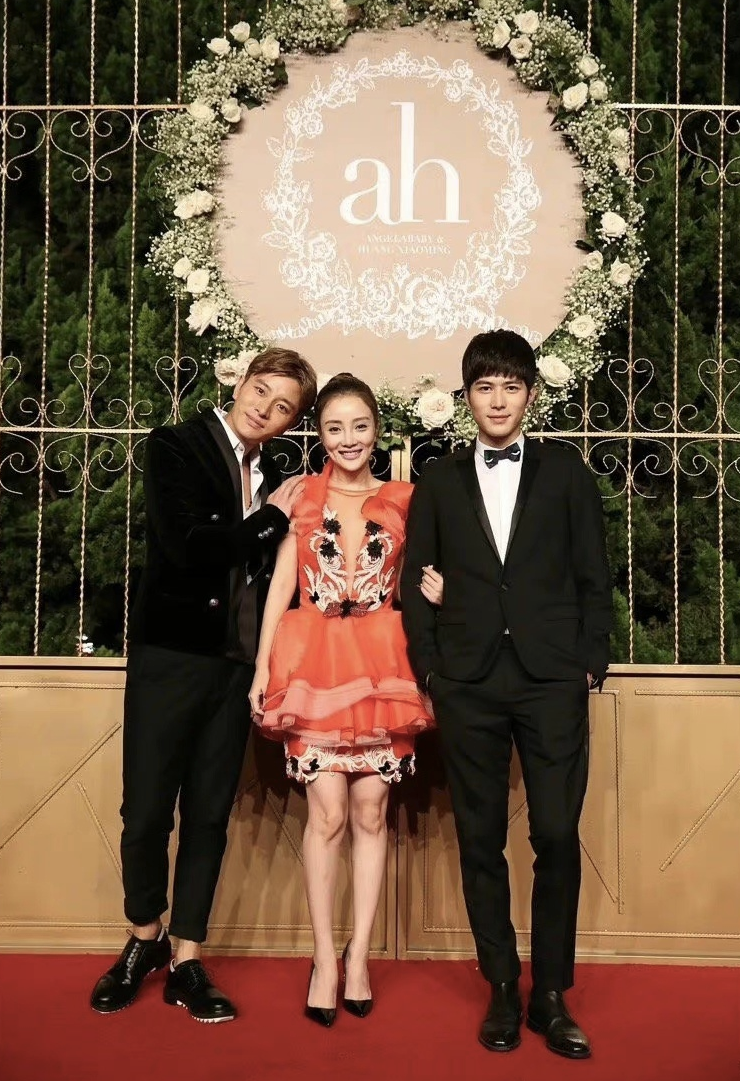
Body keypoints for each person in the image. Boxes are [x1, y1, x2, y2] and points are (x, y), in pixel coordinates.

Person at [400, 331, 612, 1060]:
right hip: (469, 681)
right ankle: (499, 985)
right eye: (484, 387)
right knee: (480, 837)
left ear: (530, 394)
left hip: (552, 678)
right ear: (466, 397)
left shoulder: (566, 472)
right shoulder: (439, 481)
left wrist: (590, 660)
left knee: (555, 832)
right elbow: (415, 583)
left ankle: (550, 993)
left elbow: (593, 572)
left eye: (510, 387)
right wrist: (431, 669)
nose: (497, 400)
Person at [90, 347, 317, 1023]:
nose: (265, 409)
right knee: (146, 810)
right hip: (171, 656)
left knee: (210, 814)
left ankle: (188, 955)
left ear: (291, 421)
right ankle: (144, 937)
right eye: (261, 390)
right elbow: (189, 545)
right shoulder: (176, 446)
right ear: (241, 381)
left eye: (283, 406)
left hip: (237, 665)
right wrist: (270, 518)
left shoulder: (273, 472)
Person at [249, 373, 440, 1027]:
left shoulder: (406, 499)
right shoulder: (302, 495)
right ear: (320, 434)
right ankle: (325, 958)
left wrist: (440, 594)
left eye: (359, 426)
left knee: (370, 811)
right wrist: (261, 667)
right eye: (335, 427)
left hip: (384, 664)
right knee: (326, 814)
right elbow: (281, 584)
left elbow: (418, 582)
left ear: (377, 431)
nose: (349, 438)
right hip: (313, 665)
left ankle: (359, 956)